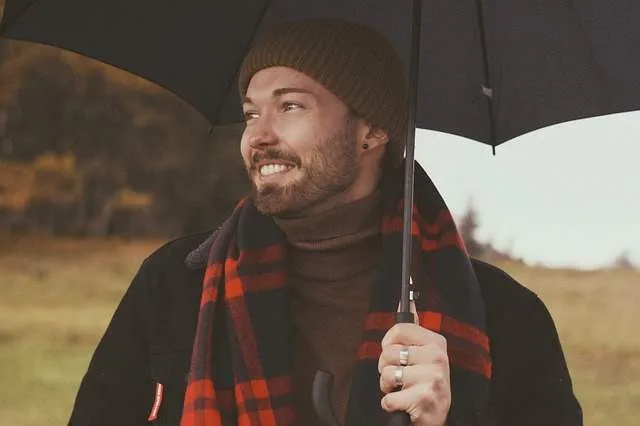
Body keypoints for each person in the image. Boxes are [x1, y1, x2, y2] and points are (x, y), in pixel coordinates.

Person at [68, 19, 582, 426]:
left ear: (371, 131)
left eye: (290, 106)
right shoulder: (174, 284)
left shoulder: (503, 315)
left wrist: (446, 421)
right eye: (251, 114)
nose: (258, 136)